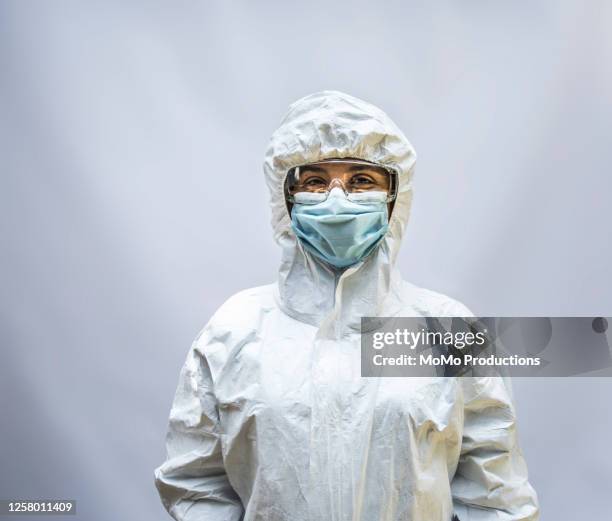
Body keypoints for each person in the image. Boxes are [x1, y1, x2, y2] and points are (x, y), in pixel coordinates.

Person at [154, 91, 540, 521]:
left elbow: (495, 495)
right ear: (286, 197)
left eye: (361, 181)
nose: (337, 199)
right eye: (315, 181)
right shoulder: (234, 331)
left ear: (394, 198)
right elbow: (196, 483)